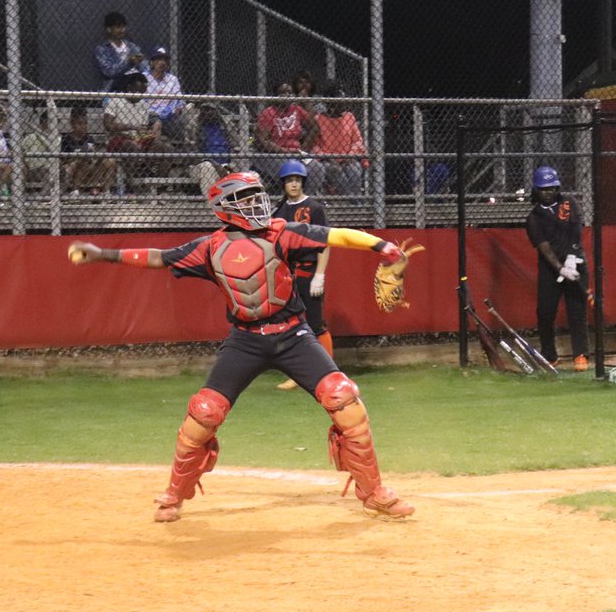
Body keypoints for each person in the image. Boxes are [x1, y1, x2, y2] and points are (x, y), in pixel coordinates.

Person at [67, 171, 415, 522]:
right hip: (246, 340)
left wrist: (383, 247)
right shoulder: (210, 247)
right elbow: (160, 257)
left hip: (293, 335)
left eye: (257, 195)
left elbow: (335, 235)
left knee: (344, 400)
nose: (256, 203)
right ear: (223, 208)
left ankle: (373, 493)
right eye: (245, 198)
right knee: (204, 413)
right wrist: (102, 254)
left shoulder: (281, 232)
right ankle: (174, 494)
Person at [272, 159, 333, 390]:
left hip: (308, 272)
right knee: (292, 324)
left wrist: (320, 274)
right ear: (283, 184)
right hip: (287, 274)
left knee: (315, 323)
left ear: (303, 182)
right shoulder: (279, 210)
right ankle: (299, 374)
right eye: (290, 180)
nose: (294, 184)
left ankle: (329, 374)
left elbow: (325, 243)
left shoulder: (315, 208)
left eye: (297, 180)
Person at [525, 165, 589, 371]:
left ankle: (580, 355)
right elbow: (544, 247)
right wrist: (560, 269)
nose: (549, 192)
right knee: (545, 313)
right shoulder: (534, 217)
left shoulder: (568, 203)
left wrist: (572, 258)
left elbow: (576, 230)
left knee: (576, 311)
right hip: (550, 270)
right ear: (536, 190)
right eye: (544, 189)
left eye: (552, 188)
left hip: (576, 263)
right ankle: (549, 356)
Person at [103, 69, 173, 181]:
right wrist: (132, 127)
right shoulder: (116, 100)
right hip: (119, 139)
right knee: (132, 146)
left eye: (143, 92)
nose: (141, 95)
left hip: (139, 138)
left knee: (166, 148)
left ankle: (158, 182)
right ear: (129, 88)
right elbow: (108, 125)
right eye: (138, 91)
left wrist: (153, 128)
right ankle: (132, 182)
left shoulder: (143, 104)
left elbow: (147, 125)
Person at [307, 80, 365, 196]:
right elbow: (314, 146)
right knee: (335, 171)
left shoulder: (349, 117)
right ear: (331, 103)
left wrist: (350, 155)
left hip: (347, 158)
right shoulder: (318, 119)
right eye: (340, 100)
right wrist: (328, 158)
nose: (344, 103)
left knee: (354, 169)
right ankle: (353, 201)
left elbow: (357, 141)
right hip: (327, 160)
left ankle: (353, 201)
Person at [253, 80, 314, 187]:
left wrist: (304, 148)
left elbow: (314, 127)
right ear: (275, 96)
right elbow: (263, 141)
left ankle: (305, 196)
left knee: (317, 168)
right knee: (291, 170)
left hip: (297, 153)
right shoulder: (268, 113)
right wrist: (286, 152)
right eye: (282, 93)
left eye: (290, 93)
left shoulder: (296, 109)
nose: (287, 95)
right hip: (276, 155)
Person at [61, 105, 116, 194]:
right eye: (80, 123)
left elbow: (94, 155)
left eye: (85, 123)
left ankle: (106, 192)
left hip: (91, 168)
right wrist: (79, 155)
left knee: (110, 161)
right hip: (75, 169)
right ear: (72, 124)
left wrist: (94, 153)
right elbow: (64, 160)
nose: (83, 126)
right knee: (82, 160)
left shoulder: (89, 138)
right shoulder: (66, 139)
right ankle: (75, 191)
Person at [143, 47, 191, 143]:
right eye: (159, 59)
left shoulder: (172, 79)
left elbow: (179, 97)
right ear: (152, 62)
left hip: (169, 115)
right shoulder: (144, 77)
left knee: (182, 122)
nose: (162, 62)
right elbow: (142, 100)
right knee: (156, 123)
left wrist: (178, 106)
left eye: (165, 60)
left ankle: (178, 147)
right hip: (150, 114)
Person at [94, 11, 144, 92]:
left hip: (136, 84)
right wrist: (129, 63)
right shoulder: (102, 50)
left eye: (123, 27)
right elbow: (109, 72)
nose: (122, 30)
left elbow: (144, 67)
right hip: (115, 89)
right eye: (118, 27)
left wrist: (142, 61)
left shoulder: (132, 46)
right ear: (109, 29)